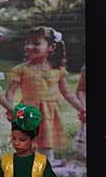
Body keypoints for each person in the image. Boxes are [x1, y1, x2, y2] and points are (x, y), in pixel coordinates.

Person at [6, 26, 86, 163]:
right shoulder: (21, 69)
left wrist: (81, 108)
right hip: (28, 112)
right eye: (27, 43)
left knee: (46, 140)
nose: (29, 47)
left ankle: (47, 164)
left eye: (36, 43)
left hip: (49, 113)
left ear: (51, 47)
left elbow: (67, 93)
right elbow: (11, 92)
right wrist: (9, 109)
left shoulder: (58, 70)